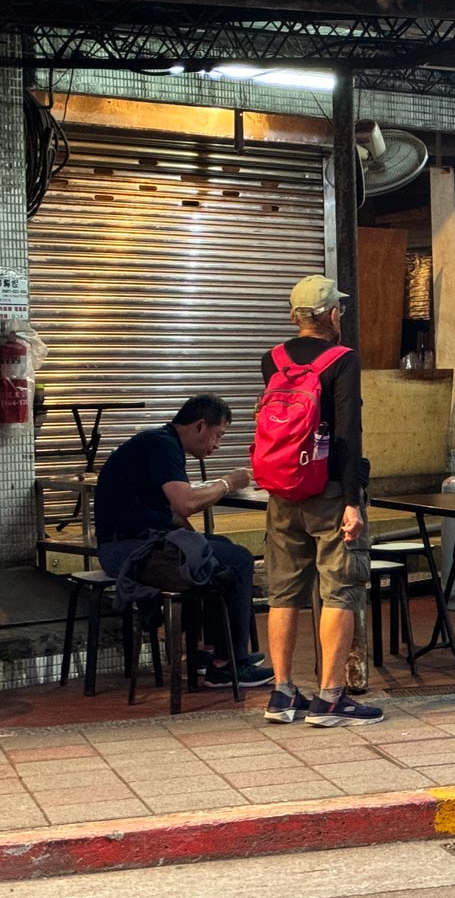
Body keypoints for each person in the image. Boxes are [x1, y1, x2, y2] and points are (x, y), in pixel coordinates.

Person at [259, 275, 382, 728]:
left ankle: (282, 693)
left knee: (283, 593)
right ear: (332, 315)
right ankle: (330, 698)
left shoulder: (271, 360)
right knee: (340, 589)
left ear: (295, 318)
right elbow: (348, 433)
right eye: (340, 311)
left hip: (282, 490)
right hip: (328, 491)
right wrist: (353, 501)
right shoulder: (342, 360)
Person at [94, 395, 273, 688]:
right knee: (238, 558)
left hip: (133, 544)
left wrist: (197, 541)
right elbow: (186, 503)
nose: (218, 445)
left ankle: (213, 654)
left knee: (219, 546)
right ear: (200, 426)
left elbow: (176, 515)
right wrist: (228, 482)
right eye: (218, 435)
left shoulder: (162, 443)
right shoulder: (162, 445)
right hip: (127, 551)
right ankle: (230, 665)